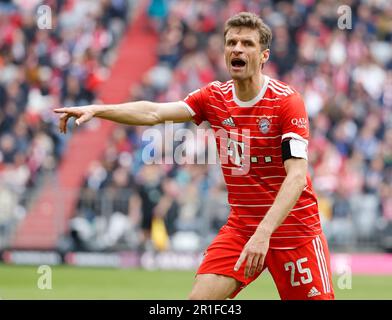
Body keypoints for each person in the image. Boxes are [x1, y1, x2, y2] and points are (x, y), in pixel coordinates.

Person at [54, 12, 334, 300]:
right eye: (231, 42)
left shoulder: (286, 102)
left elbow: (297, 177)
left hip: (295, 231)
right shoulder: (213, 97)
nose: (237, 48)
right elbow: (154, 112)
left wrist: (265, 233)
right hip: (242, 228)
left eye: (247, 44)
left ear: (263, 55)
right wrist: (100, 109)